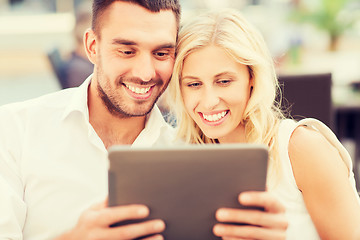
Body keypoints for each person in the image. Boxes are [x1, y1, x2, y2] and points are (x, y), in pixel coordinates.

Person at [0, 1, 287, 239]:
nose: (146, 72)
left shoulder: (193, 156)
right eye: (127, 51)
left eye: (161, 53)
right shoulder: (15, 130)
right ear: (92, 46)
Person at [167, 8, 360, 240]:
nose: (208, 102)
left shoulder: (300, 149)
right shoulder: (180, 159)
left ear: (252, 78)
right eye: (194, 84)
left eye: (224, 81)